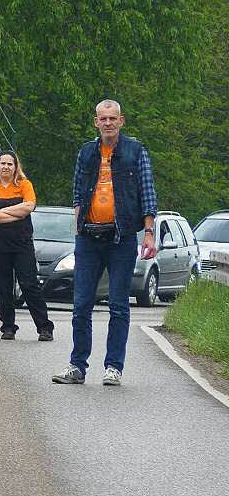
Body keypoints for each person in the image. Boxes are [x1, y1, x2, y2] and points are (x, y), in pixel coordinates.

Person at [53, 99, 157, 386]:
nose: (108, 123)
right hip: (88, 236)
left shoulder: (136, 152)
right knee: (81, 303)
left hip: (121, 237)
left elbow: (147, 193)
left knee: (119, 305)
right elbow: (77, 190)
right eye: (103, 119)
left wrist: (149, 233)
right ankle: (77, 366)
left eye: (113, 118)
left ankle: (114, 367)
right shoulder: (87, 153)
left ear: (121, 121)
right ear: (96, 122)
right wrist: (77, 224)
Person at [0, 151, 55, 340]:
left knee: (29, 284)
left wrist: (1, 212)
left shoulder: (24, 185)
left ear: (16, 167)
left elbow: (29, 206)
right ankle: (8, 326)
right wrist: (16, 213)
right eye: (3, 163)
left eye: (10, 164)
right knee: (3, 286)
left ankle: (44, 328)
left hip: (22, 243)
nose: (6, 167)